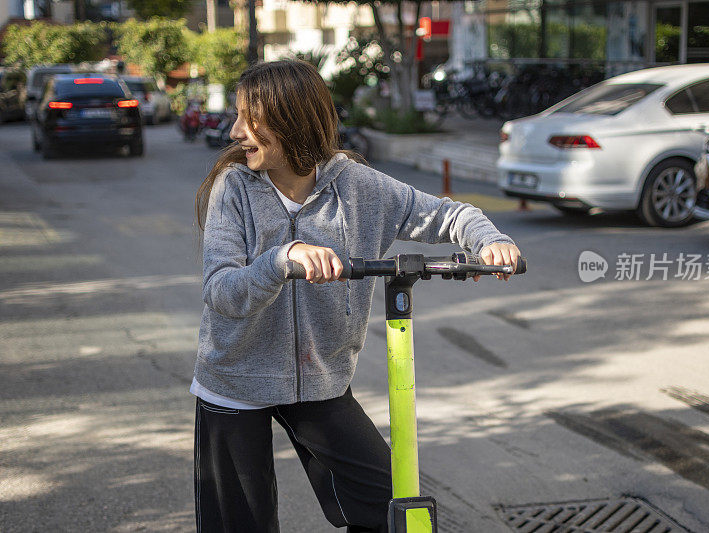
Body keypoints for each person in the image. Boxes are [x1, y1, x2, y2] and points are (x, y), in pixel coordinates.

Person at [192, 59, 521, 533]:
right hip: (235, 379)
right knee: (239, 524)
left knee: (388, 509)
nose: (235, 131)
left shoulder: (360, 187)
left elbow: (448, 215)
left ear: (291, 121)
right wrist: (283, 258)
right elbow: (220, 291)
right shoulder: (235, 189)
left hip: (319, 378)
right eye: (237, 116)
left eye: (250, 118)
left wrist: (487, 240)